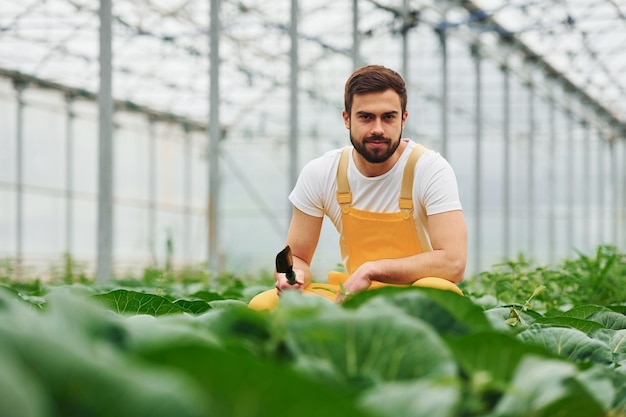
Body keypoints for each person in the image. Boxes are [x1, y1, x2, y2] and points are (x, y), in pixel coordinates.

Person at [249, 64, 467, 310]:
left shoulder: (429, 169)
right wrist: (292, 276)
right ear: (347, 119)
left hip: (414, 298)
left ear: (403, 118)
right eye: (365, 117)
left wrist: (372, 270)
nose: (377, 129)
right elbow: (297, 256)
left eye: (388, 117)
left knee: (444, 291)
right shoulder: (321, 172)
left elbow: (453, 263)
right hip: (353, 295)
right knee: (263, 303)